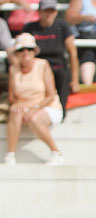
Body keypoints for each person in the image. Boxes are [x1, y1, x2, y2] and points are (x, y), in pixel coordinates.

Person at [4, 33, 63, 166]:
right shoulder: (13, 69)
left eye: (29, 49)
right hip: (25, 107)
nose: (26, 52)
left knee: (34, 117)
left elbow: (50, 95)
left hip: (47, 106)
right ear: (17, 53)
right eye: (21, 49)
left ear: (34, 51)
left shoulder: (43, 65)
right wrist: (17, 104)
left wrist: (35, 108)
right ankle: (11, 155)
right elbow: (12, 97)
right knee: (15, 111)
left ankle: (56, 152)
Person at [24, 0, 80, 114]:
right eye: (46, 11)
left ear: (56, 12)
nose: (49, 14)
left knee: (63, 75)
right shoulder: (29, 28)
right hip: (37, 70)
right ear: (39, 12)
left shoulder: (62, 26)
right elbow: (22, 52)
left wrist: (75, 80)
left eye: (52, 10)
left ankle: (61, 113)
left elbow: (73, 53)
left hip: (57, 69)